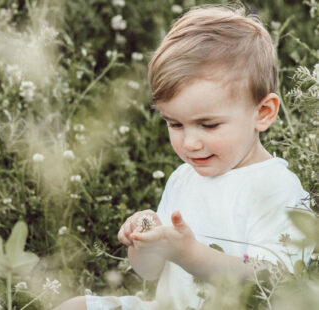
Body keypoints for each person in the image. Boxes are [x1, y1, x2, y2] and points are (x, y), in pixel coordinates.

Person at [55, 3, 313, 310]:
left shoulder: (276, 187)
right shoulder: (183, 178)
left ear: (263, 113)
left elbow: (275, 284)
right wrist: (146, 240)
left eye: (209, 124)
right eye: (174, 124)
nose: (189, 143)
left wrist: (190, 254)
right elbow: (150, 273)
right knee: (75, 306)